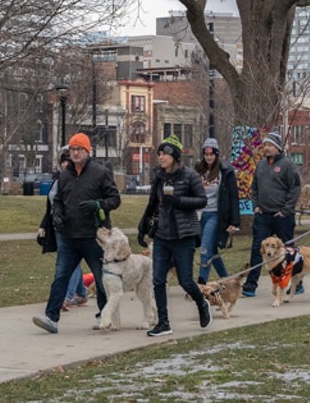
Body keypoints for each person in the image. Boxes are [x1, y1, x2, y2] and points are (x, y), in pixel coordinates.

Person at [32, 133, 120, 334]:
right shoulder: (64, 176)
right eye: (72, 149)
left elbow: (115, 199)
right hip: (69, 237)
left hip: (94, 237)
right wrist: (57, 216)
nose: (75, 153)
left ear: (88, 151)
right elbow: (58, 201)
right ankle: (51, 317)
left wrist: (97, 204)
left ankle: (104, 316)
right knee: (60, 277)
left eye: (79, 149)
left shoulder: (100, 173)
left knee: (101, 278)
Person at [138, 135, 212, 337]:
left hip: (184, 235)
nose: (161, 157)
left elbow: (201, 201)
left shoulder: (190, 176)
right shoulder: (159, 177)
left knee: (185, 281)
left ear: (175, 157)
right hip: (162, 235)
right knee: (158, 280)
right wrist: (143, 227)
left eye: (165, 154)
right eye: (159, 153)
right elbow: (153, 203)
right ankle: (163, 322)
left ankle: (201, 303)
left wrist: (178, 201)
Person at [242, 131, 301, 298]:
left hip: (282, 216)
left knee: (289, 251)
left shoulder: (288, 165)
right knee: (257, 249)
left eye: (269, 145)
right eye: (265, 145)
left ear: (277, 147)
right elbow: (254, 188)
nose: (266, 148)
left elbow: (295, 188)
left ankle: (296, 283)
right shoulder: (261, 165)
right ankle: (250, 285)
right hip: (263, 216)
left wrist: (286, 210)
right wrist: (255, 206)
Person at [38, 151, 89, 310]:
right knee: (72, 262)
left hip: (78, 228)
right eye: (63, 161)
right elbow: (52, 205)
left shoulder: (81, 180)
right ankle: (80, 294)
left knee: (69, 262)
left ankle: (66, 297)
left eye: (69, 161)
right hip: (59, 227)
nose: (66, 164)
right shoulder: (58, 180)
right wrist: (44, 225)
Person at [194, 137, 240, 284]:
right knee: (212, 250)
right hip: (199, 214)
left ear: (216, 155)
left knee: (205, 250)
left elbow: (233, 197)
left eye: (212, 154)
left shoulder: (226, 172)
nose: (208, 157)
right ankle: (227, 281)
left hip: (215, 215)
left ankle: (201, 286)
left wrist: (234, 222)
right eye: (206, 154)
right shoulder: (197, 170)